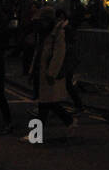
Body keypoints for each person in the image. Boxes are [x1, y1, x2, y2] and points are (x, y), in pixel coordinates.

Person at [29, 8, 76, 136]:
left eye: (43, 21)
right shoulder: (44, 33)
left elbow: (59, 54)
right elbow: (38, 53)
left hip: (48, 74)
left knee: (45, 104)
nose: (41, 24)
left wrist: (51, 73)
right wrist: (32, 70)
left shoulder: (57, 33)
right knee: (49, 103)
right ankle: (69, 121)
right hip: (43, 72)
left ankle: (36, 135)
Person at [57, 8, 84, 111]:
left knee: (66, 82)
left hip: (67, 59)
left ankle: (77, 104)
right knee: (66, 83)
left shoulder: (65, 29)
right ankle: (77, 104)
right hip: (67, 59)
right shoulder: (65, 28)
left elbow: (68, 45)